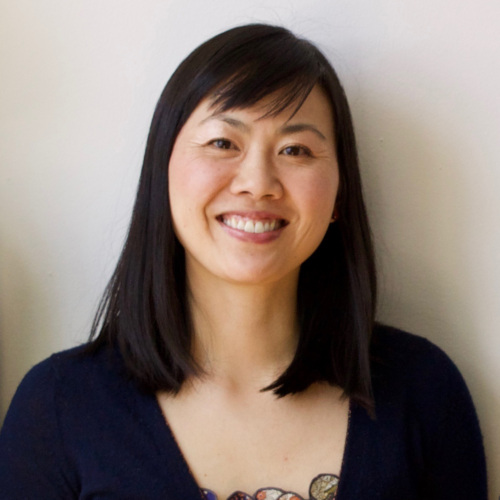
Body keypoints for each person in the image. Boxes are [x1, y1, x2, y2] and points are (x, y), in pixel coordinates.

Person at [0, 23, 487, 499]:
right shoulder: (58, 408)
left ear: (340, 194)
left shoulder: (424, 392)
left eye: (295, 149)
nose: (258, 182)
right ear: (162, 171)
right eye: (223, 143)